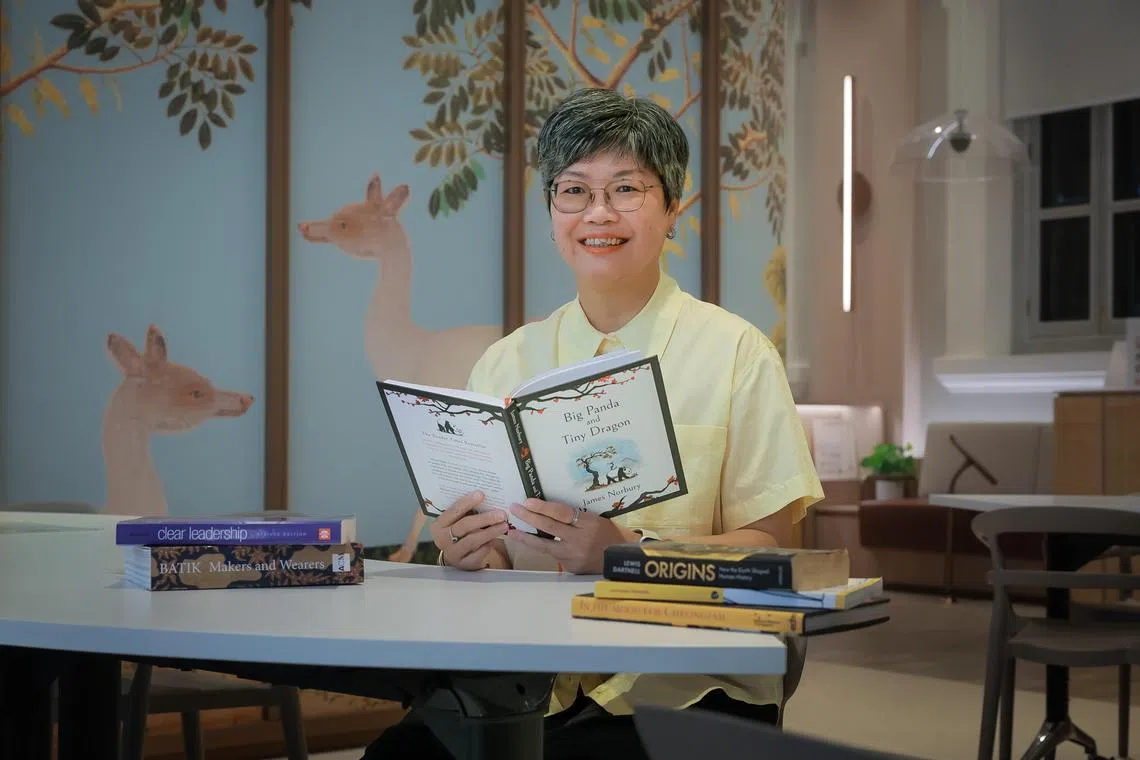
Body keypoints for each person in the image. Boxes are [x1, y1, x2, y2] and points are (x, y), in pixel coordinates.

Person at [361, 87, 824, 760]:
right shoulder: (505, 361)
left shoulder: (737, 353)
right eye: (573, 191)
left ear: (671, 209)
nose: (597, 213)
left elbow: (769, 551)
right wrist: (468, 548)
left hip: (679, 679)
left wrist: (624, 555)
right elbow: (492, 551)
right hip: (524, 678)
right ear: (552, 213)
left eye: (626, 189)